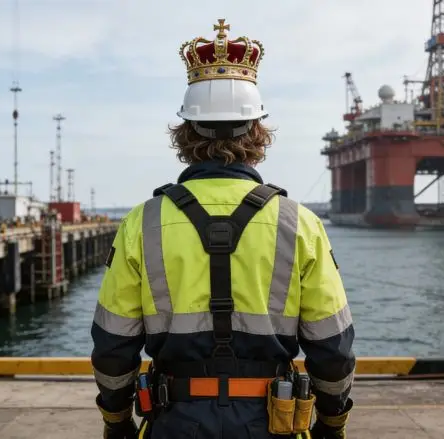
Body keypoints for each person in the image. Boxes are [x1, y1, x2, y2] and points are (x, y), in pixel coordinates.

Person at [91, 18, 356, 439]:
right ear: (257, 130)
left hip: (173, 421)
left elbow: (112, 345)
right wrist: (332, 421)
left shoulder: (142, 223)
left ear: (184, 131)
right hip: (274, 422)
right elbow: (333, 347)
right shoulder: (299, 222)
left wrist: (117, 421)